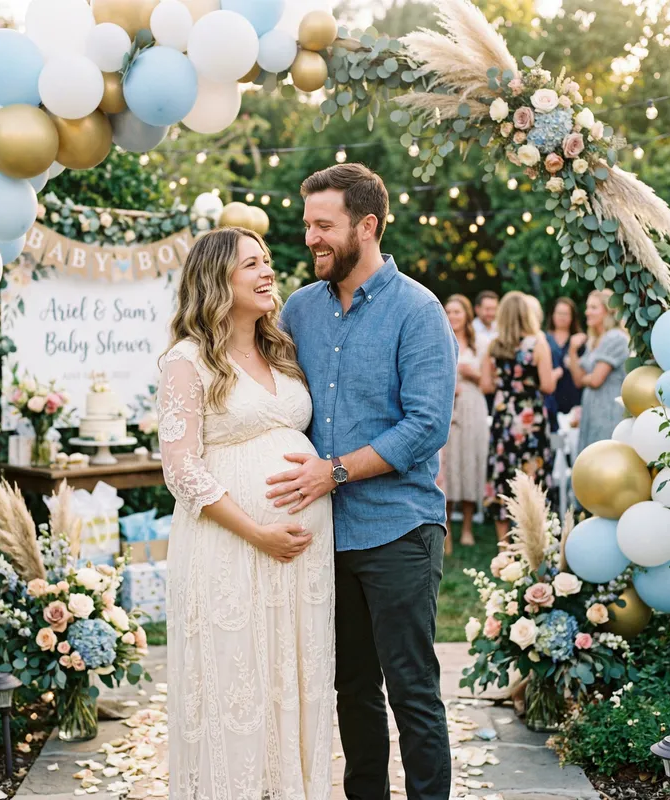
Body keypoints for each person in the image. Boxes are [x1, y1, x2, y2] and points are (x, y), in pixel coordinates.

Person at [270, 163, 457, 800]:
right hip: (324, 537)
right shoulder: (298, 309)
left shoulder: (418, 310)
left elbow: (427, 425)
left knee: (412, 689)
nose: (311, 239)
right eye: (307, 226)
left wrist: (337, 470)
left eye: (324, 226)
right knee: (352, 689)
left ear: (367, 226)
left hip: (399, 529)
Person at [157, 227, 335, 799]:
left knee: (294, 673)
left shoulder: (281, 350)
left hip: (303, 556)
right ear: (216, 281)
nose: (267, 273)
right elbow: (181, 469)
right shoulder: (186, 361)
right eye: (250, 265)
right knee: (238, 672)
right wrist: (258, 531)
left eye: (266, 262)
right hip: (230, 545)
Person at [481, 291, 556, 542]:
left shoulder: (494, 345)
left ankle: (503, 546)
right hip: (530, 418)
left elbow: (487, 387)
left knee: (503, 473)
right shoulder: (537, 343)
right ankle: (531, 541)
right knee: (532, 473)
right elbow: (547, 386)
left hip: (504, 416)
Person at [443, 294, 490, 553]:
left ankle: (469, 528)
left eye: (457, 312)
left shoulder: (480, 343)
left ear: (467, 315)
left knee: (470, 463)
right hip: (448, 407)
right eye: (449, 312)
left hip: (473, 405)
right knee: (448, 466)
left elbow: (488, 383)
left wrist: (472, 373)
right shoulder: (439, 337)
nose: (453, 317)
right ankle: (447, 527)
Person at [568, 289, 630, 454]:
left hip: (607, 410)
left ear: (608, 311)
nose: (587, 312)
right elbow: (578, 380)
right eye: (587, 307)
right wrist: (572, 351)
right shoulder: (594, 340)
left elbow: (595, 380)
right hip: (592, 411)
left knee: (602, 457)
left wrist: (587, 378)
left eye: (593, 307)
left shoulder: (615, 338)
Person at [545, 297, 583, 430]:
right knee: (555, 441)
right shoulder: (544, 339)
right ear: (553, 315)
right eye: (559, 313)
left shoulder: (579, 340)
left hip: (572, 397)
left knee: (571, 443)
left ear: (572, 317)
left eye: (566, 314)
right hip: (550, 399)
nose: (562, 317)